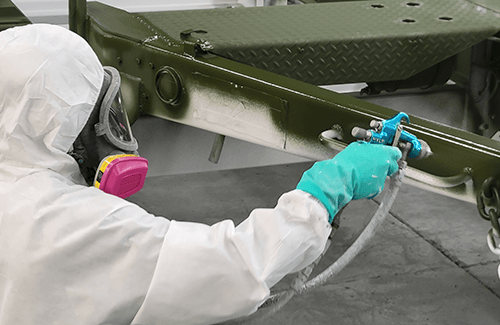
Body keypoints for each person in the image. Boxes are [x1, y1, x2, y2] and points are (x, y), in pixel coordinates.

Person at [0, 24, 401, 325]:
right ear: (58, 121)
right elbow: (234, 267)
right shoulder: (69, 222)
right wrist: (327, 190)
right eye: (93, 115)